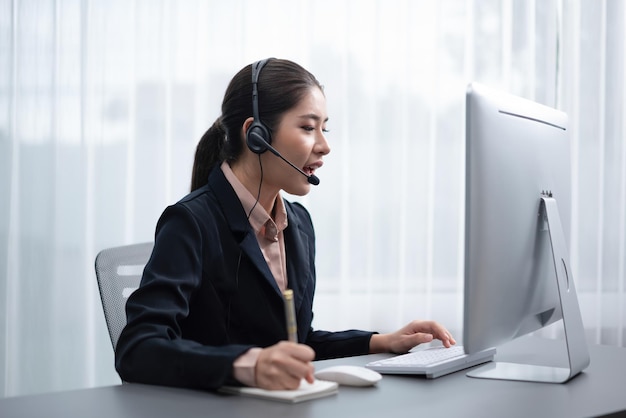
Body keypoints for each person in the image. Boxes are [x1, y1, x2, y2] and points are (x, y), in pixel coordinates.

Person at [115, 58, 456, 391]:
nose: (324, 145)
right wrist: (250, 365)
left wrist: (382, 342)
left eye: (325, 128)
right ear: (256, 135)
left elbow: (295, 343)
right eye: (308, 128)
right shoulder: (191, 222)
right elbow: (138, 348)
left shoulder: (298, 225)